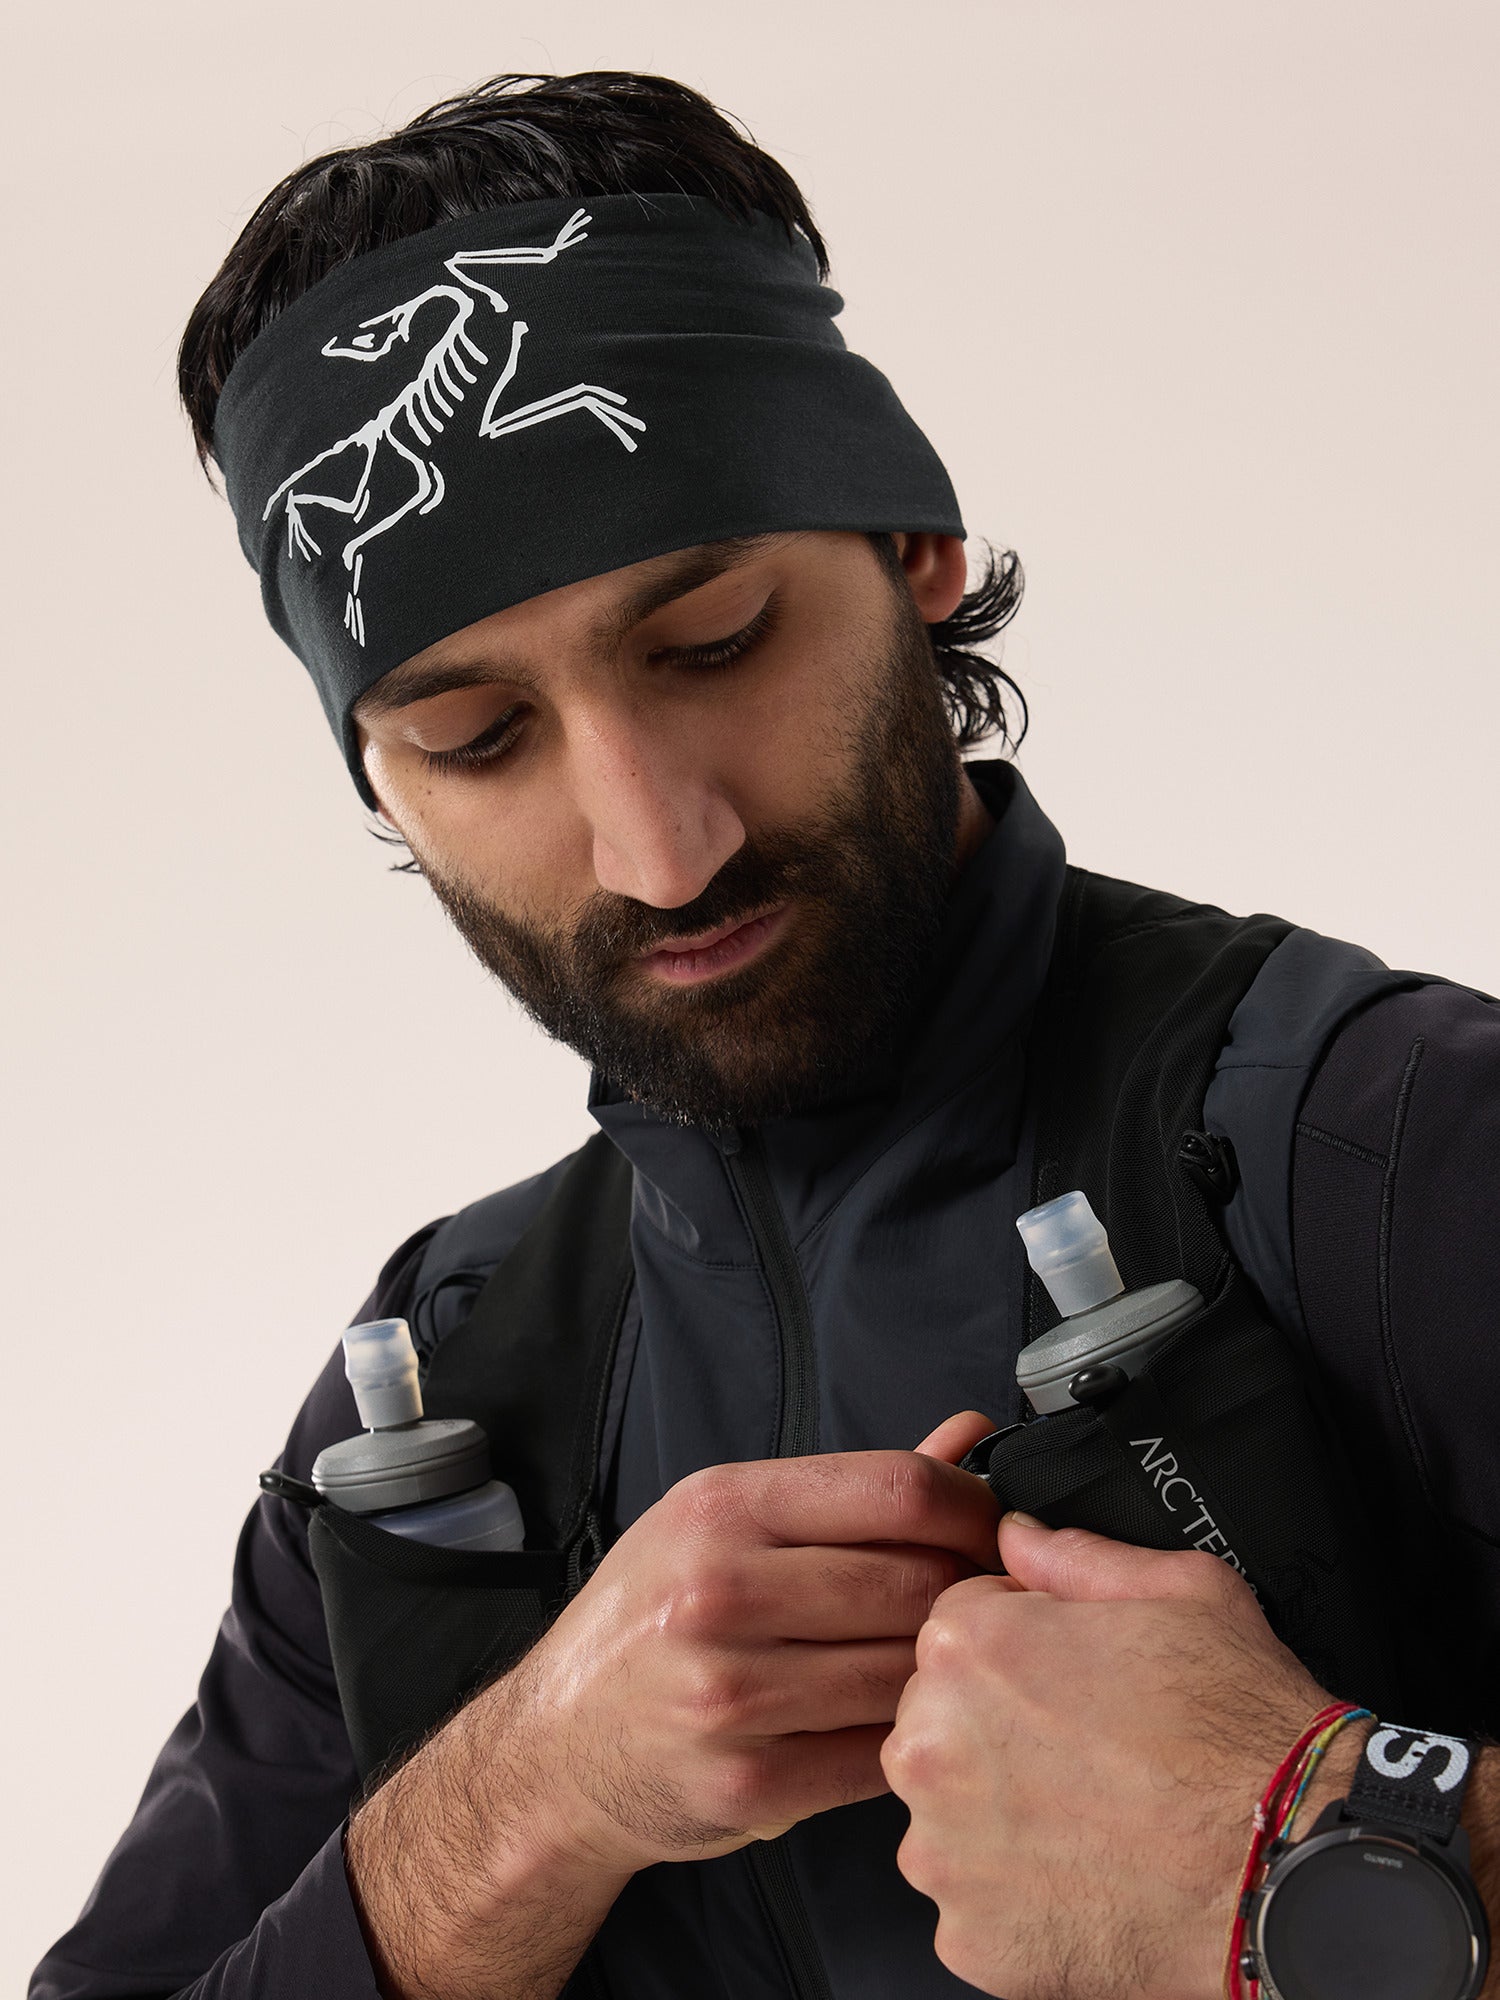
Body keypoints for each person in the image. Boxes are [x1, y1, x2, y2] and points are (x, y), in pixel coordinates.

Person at [31, 67, 1500, 2000]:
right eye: (477, 737)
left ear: (914, 549)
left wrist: (1330, 1848)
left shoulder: (1395, 1147)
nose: (660, 847)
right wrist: (524, 1798)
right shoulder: (441, 1383)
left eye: (713, 639)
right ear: (383, 784)